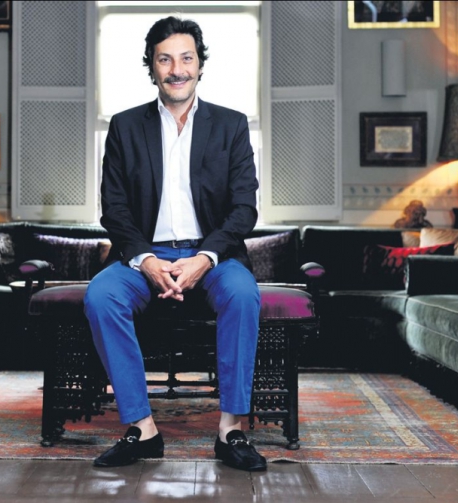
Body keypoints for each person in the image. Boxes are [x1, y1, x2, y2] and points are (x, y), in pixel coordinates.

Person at [83, 16, 265, 471]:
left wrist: (204, 258)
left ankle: (231, 430)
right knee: (101, 296)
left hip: (213, 255)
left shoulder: (231, 125)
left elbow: (244, 209)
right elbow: (114, 209)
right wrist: (146, 260)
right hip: (146, 255)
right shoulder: (125, 126)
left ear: (200, 64)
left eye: (186, 58)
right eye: (165, 60)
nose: (177, 69)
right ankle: (142, 430)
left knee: (243, 294)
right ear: (151, 67)